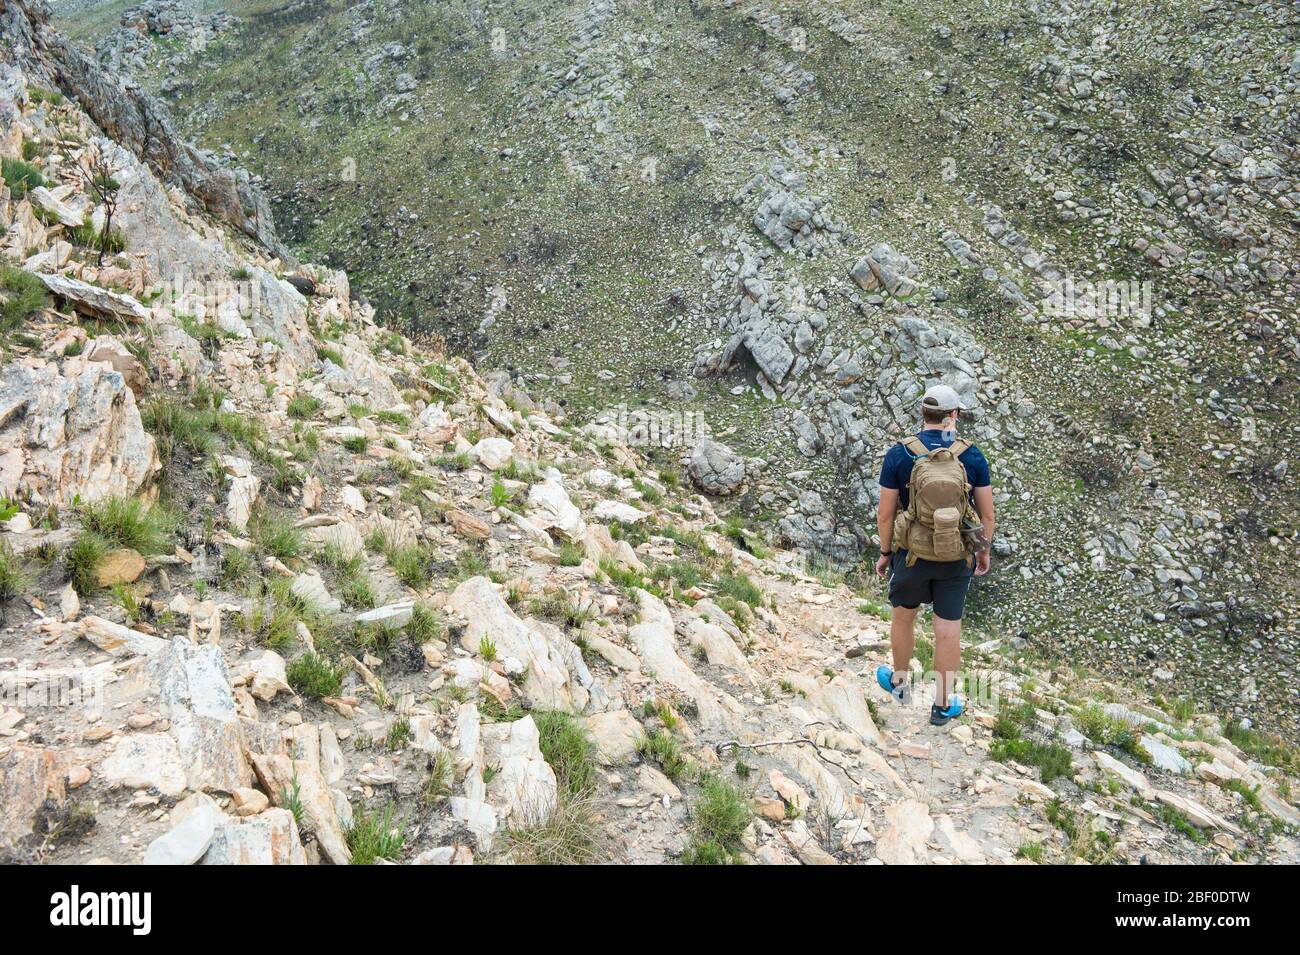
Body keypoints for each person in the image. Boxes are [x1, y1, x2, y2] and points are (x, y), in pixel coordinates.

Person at [873, 384, 995, 726]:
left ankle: (899, 683)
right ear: (953, 415)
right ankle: (942, 706)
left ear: (922, 413)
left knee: (904, 617)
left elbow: (885, 514)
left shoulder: (900, 454)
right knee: (947, 629)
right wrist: (982, 553)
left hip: (910, 553)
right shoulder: (971, 456)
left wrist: (885, 552)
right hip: (955, 557)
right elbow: (986, 515)